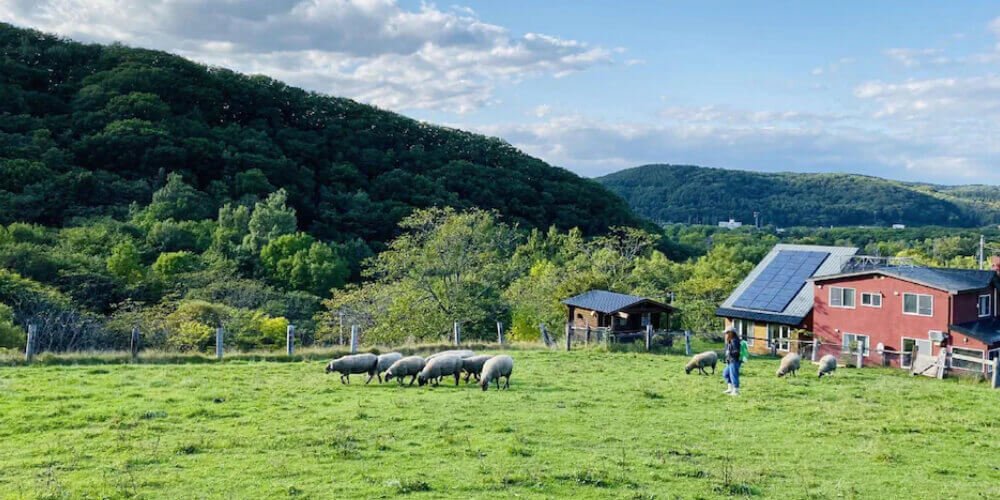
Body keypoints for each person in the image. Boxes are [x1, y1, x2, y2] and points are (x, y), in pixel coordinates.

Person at [722, 326, 743, 396]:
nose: (726, 334)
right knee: (726, 374)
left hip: (735, 361)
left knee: (734, 375)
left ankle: (736, 391)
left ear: (731, 333)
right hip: (730, 360)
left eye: (727, 333)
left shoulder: (735, 340)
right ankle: (730, 389)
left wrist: (729, 352)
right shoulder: (730, 340)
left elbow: (737, 351)